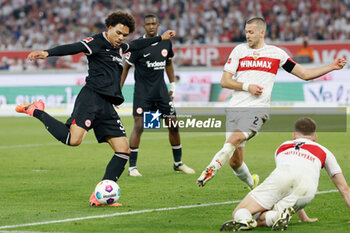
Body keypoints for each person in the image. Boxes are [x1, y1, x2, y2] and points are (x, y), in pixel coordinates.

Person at [15, 11, 175, 206]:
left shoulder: (121, 47)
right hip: (91, 98)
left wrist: (161, 38)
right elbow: (73, 47)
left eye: (124, 35)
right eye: (118, 33)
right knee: (73, 140)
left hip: (107, 105)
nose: (121, 38)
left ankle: (99, 196)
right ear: (109, 28)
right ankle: (35, 110)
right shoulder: (96, 42)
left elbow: (136, 45)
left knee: (123, 150)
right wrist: (48, 52)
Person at [196, 17, 347, 189]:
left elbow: (304, 74)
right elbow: (225, 81)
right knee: (235, 162)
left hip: (257, 109)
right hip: (234, 108)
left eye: (251, 32)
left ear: (262, 32)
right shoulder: (239, 51)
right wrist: (247, 86)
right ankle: (252, 182)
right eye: (246, 32)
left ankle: (212, 167)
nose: (247, 35)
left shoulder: (277, 54)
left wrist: (331, 66)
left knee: (236, 137)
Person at [220, 117, 350, 231]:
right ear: (315, 137)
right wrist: (304, 218)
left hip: (281, 178)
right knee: (265, 217)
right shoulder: (324, 151)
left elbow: (286, 183)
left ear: (294, 135)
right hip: (307, 190)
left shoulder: (283, 146)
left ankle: (246, 219)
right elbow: (344, 189)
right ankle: (277, 216)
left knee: (242, 212)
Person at [121, 14, 195, 176]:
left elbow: (168, 63)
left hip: (161, 93)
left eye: (154, 23)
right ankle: (132, 167)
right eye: (148, 24)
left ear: (158, 24)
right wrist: (117, 92)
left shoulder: (166, 43)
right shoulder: (138, 45)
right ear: (144, 27)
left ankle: (178, 163)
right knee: (139, 127)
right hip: (143, 94)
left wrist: (173, 85)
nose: (151, 26)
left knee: (174, 126)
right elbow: (125, 68)